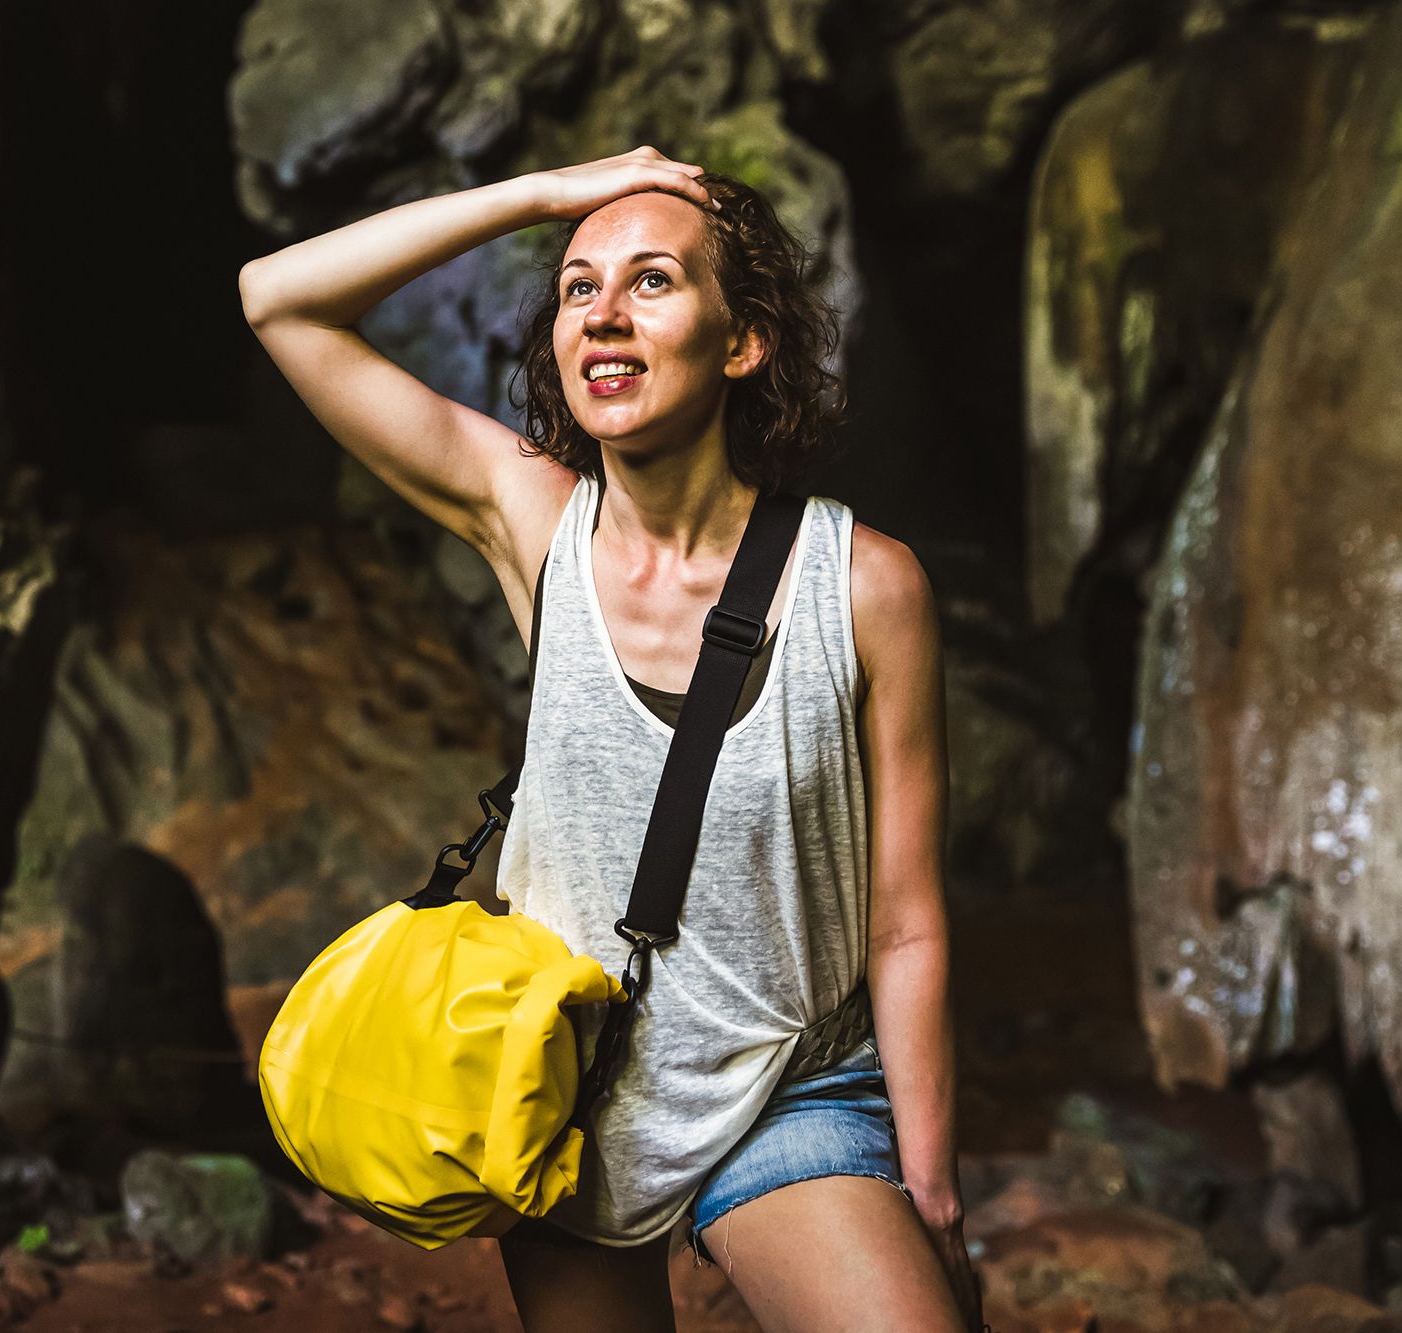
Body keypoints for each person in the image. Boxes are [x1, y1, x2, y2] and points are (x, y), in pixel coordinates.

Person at [239, 147, 982, 1333]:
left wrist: (932, 1184)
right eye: (579, 288)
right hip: (574, 1090)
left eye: (650, 282)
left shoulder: (865, 587)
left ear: (740, 341)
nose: (603, 314)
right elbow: (277, 297)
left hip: (786, 1081)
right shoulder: (530, 520)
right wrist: (541, 197)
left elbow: (903, 920)